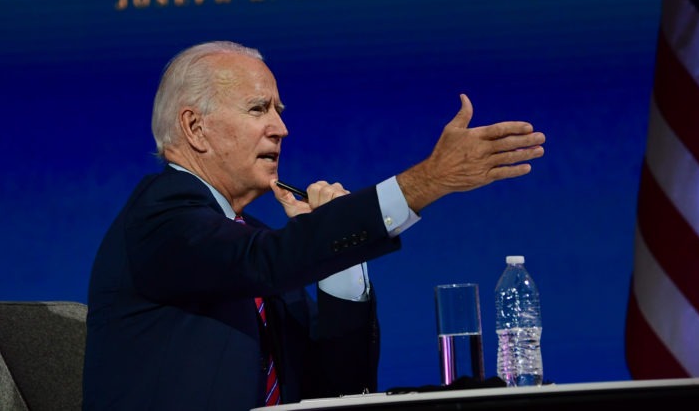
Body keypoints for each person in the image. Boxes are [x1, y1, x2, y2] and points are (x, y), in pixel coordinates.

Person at [82, 41, 545, 411]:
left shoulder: (253, 241)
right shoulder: (162, 214)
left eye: (279, 111)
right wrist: (424, 182)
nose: (281, 129)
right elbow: (267, 262)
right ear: (195, 127)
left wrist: (338, 265)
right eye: (259, 109)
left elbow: (339, 390)